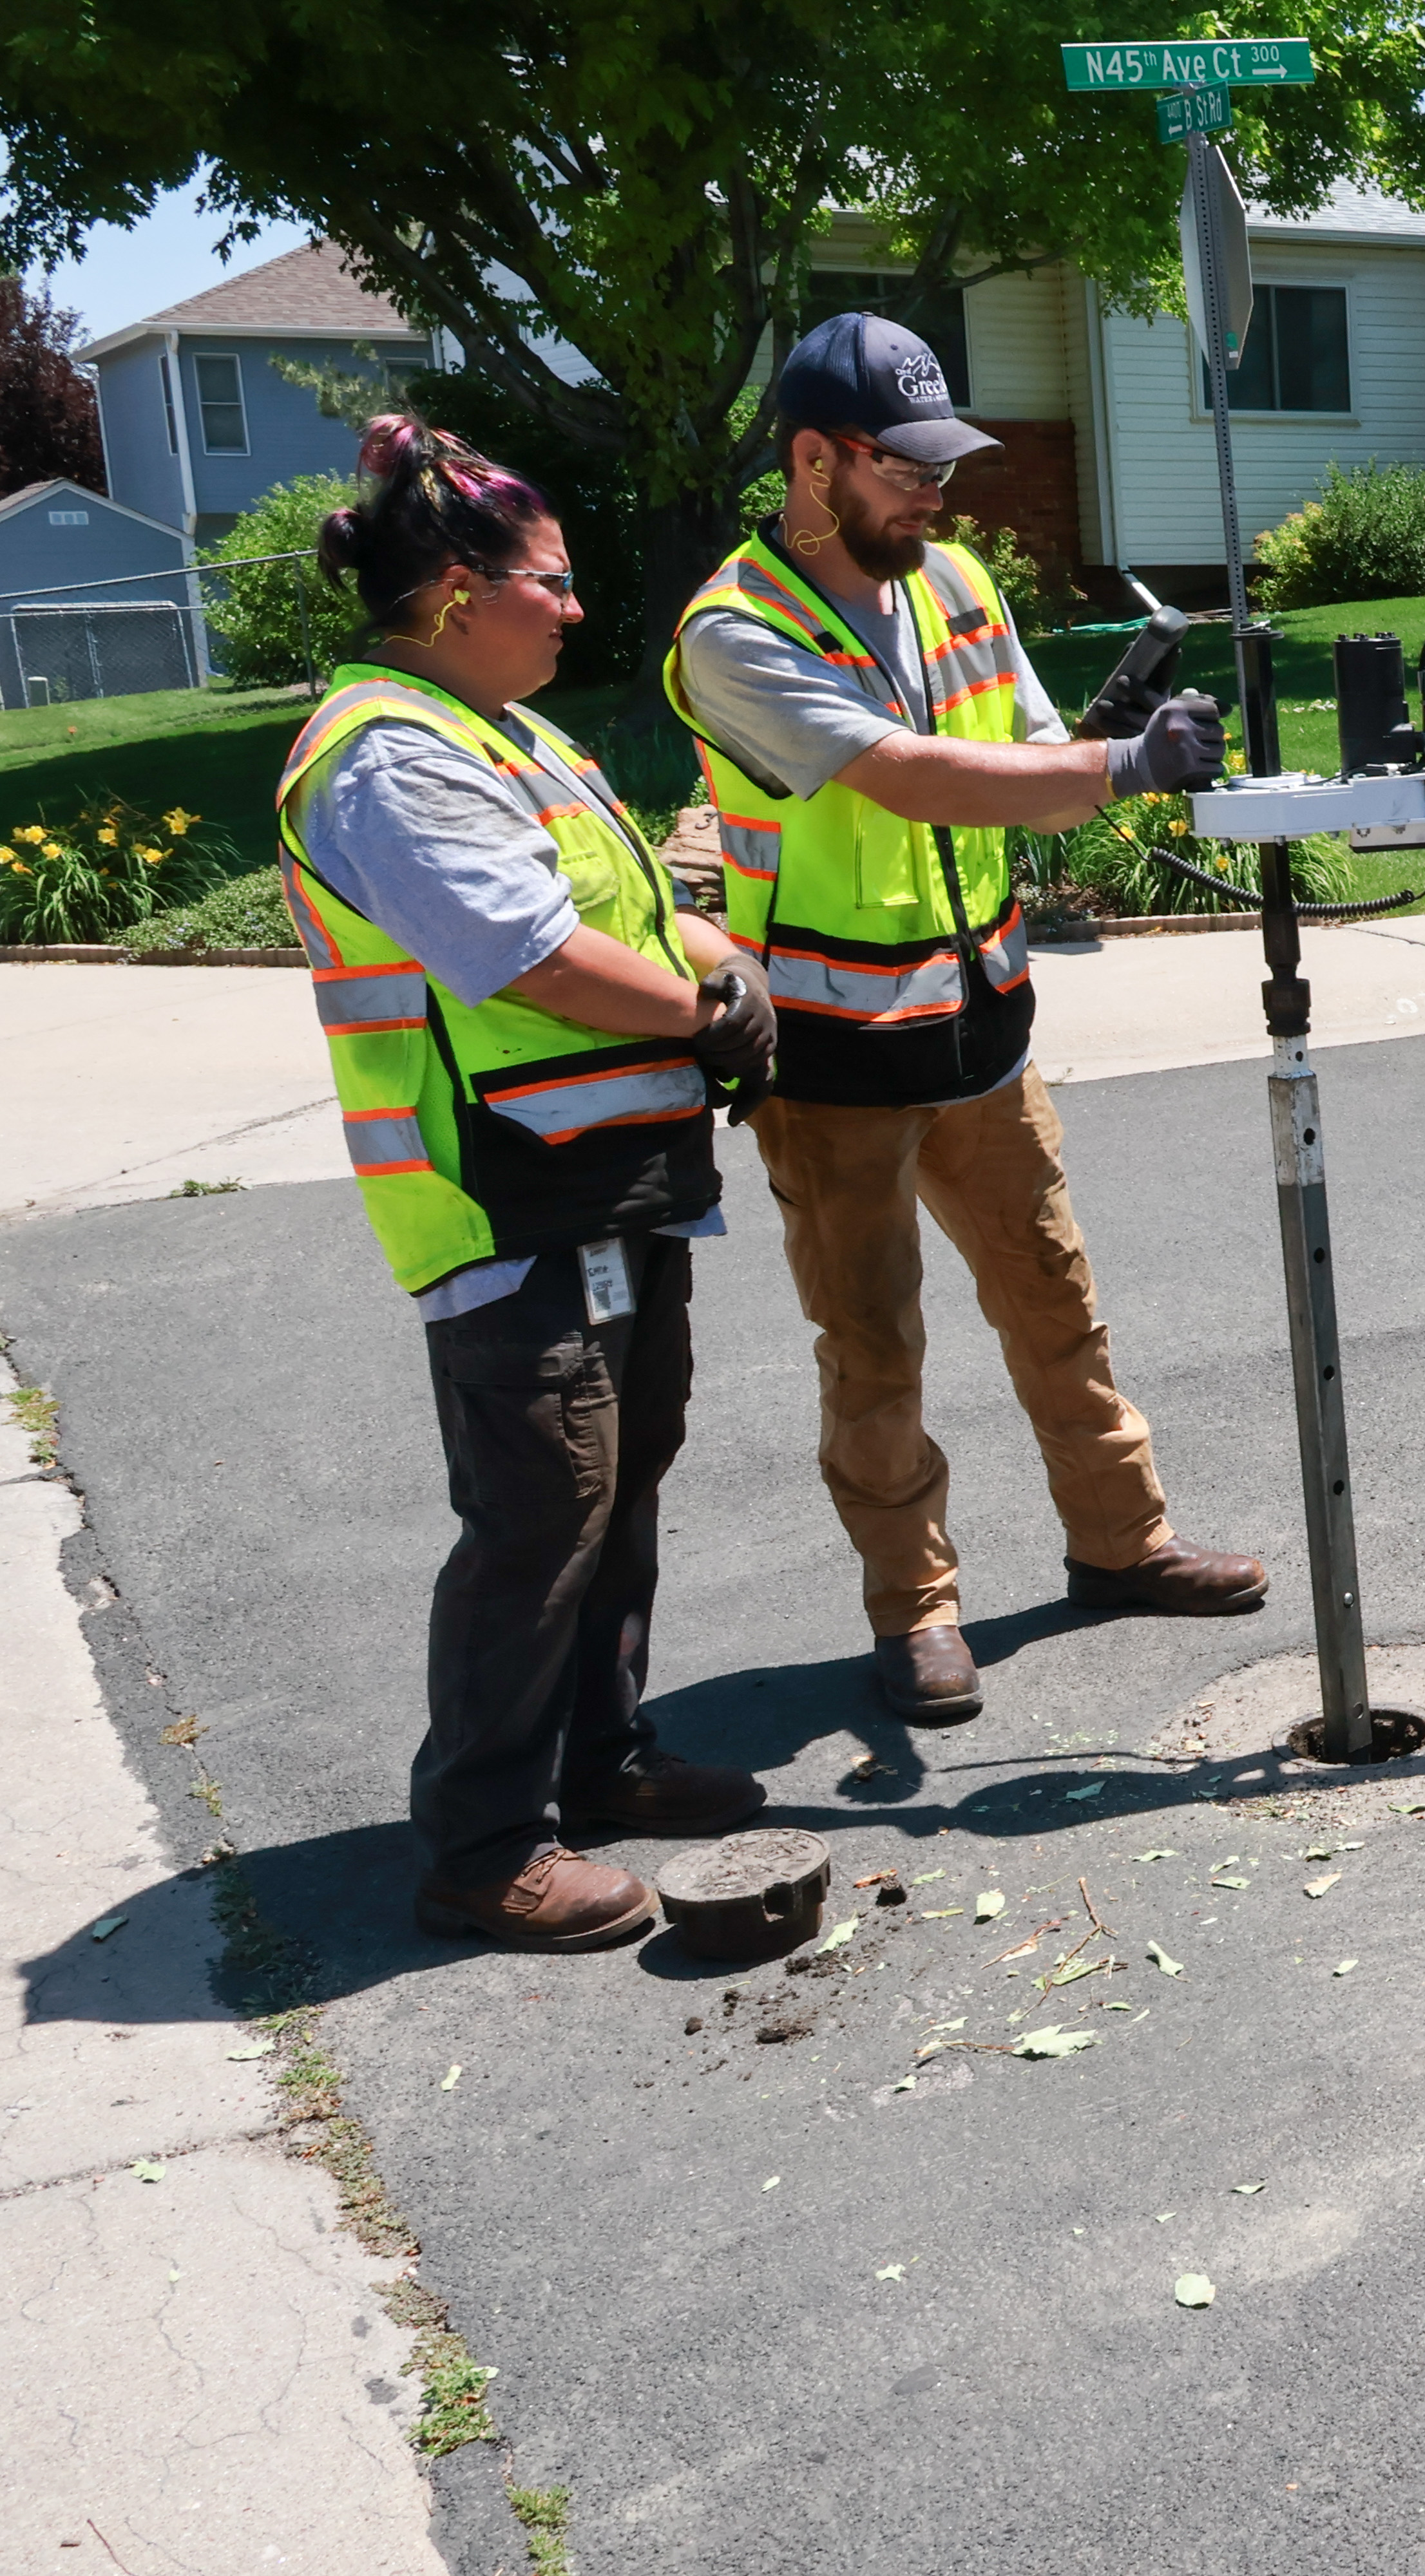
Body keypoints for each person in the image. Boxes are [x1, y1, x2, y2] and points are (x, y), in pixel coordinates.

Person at [662, 313, 1263, 1724]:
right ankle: (917, 1613)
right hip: (830, 1055)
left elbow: (1026, 752)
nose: (939, 492)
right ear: (815, 460)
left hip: (982, 1026)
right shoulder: (734, 634)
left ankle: (1125, 1543)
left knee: (1058, 1302)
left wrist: (1109, 739)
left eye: (946, 465)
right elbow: (913, 774)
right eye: (906, 468)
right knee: (874, 1351)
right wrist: (1119, 768)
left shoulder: (957, 582)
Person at [282, 419, 776, 1949]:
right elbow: (535, 957)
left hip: (608, 1184)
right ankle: (486, 1841)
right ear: (449, 593)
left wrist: (721, 963)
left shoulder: (509, 732)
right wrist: (704, 1012)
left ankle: (600, 1759)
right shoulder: (389, 756)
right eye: (547, 582)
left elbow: (620, 902)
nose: (574, 607)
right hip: (498, 1200)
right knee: (541, 1507)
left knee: (625, 1477)